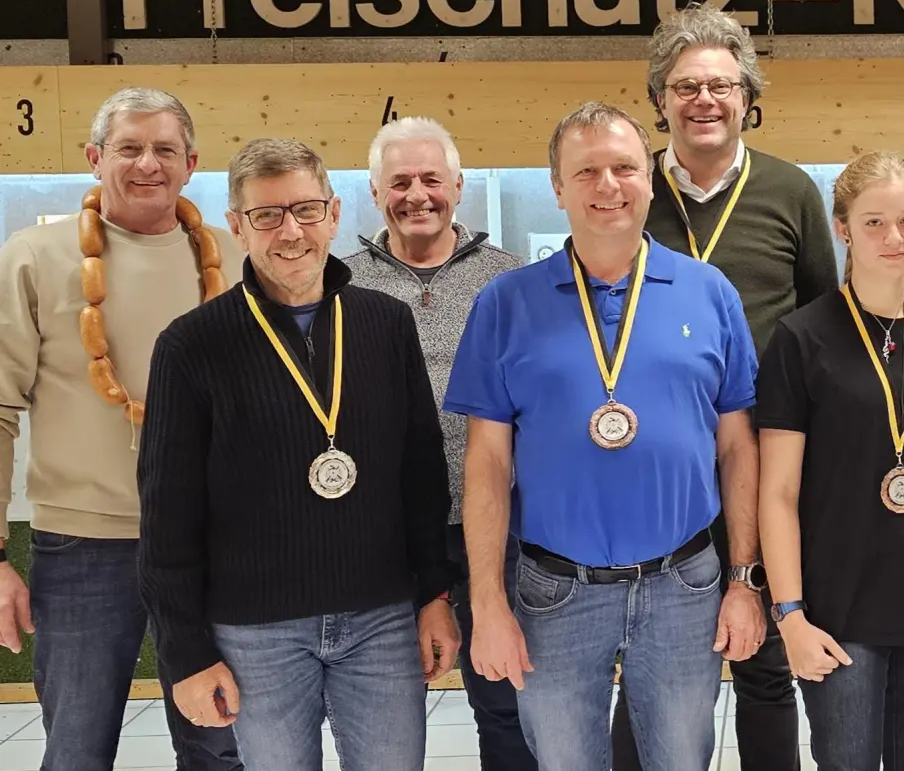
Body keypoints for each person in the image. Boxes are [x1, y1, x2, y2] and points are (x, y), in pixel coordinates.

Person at [448, 102, 759, 771]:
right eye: (585, 171)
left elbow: (738, 449)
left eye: (623, 167)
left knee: (682, 760)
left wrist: (744, 579)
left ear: (649, 180)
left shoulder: (709, 293)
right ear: (557, 188)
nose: (608, 186)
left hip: (686, 586)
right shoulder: (505, 304)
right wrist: (487, 605)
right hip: (554, 591)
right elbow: (486, 469)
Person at [137, 138, 459, 771]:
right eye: (267, 215)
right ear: (236, 225)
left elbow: (421, 479)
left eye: (307, 210)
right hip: (256, 633)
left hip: (380, 621)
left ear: (335, 214)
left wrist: (433, 598)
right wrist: (186, 653)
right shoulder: (190, 346)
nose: (291, 231)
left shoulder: (386, 324)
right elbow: (167, 518)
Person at [614, 3, 836, 771]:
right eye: (685, 87)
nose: (704, 100)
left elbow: (818, 325)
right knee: (649, 656)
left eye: (720, 84)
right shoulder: (629, 186)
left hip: (767, 452)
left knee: (764, 660)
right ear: (660, 99)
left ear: (747, 95)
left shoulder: (790, 190)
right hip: (653, 452)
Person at [0, 87, 243, 771]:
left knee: (222, 748)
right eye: (129, 148)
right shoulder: (33, 257)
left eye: (165, 149)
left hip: (215, 550)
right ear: (93, 157)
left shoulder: (236, 259)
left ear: (192, 163)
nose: (147, 164)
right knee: (77, 749)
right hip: (83, 549)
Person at [757, 151, 904, 770]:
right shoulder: (800, 339)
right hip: (838, 614)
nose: (894, 238)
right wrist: (789, 617)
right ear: (841, 227)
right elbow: (778, 493)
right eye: (873, 223)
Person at [343, 116, 533, 770]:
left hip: (499, 525)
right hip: (384, 533)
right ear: (375, 192)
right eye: (400, 181)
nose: (416, 194)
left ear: (458, 185)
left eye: (431, 178)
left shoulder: (513, 282)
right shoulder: (338, 288)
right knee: (384, 707)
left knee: (506, 698)